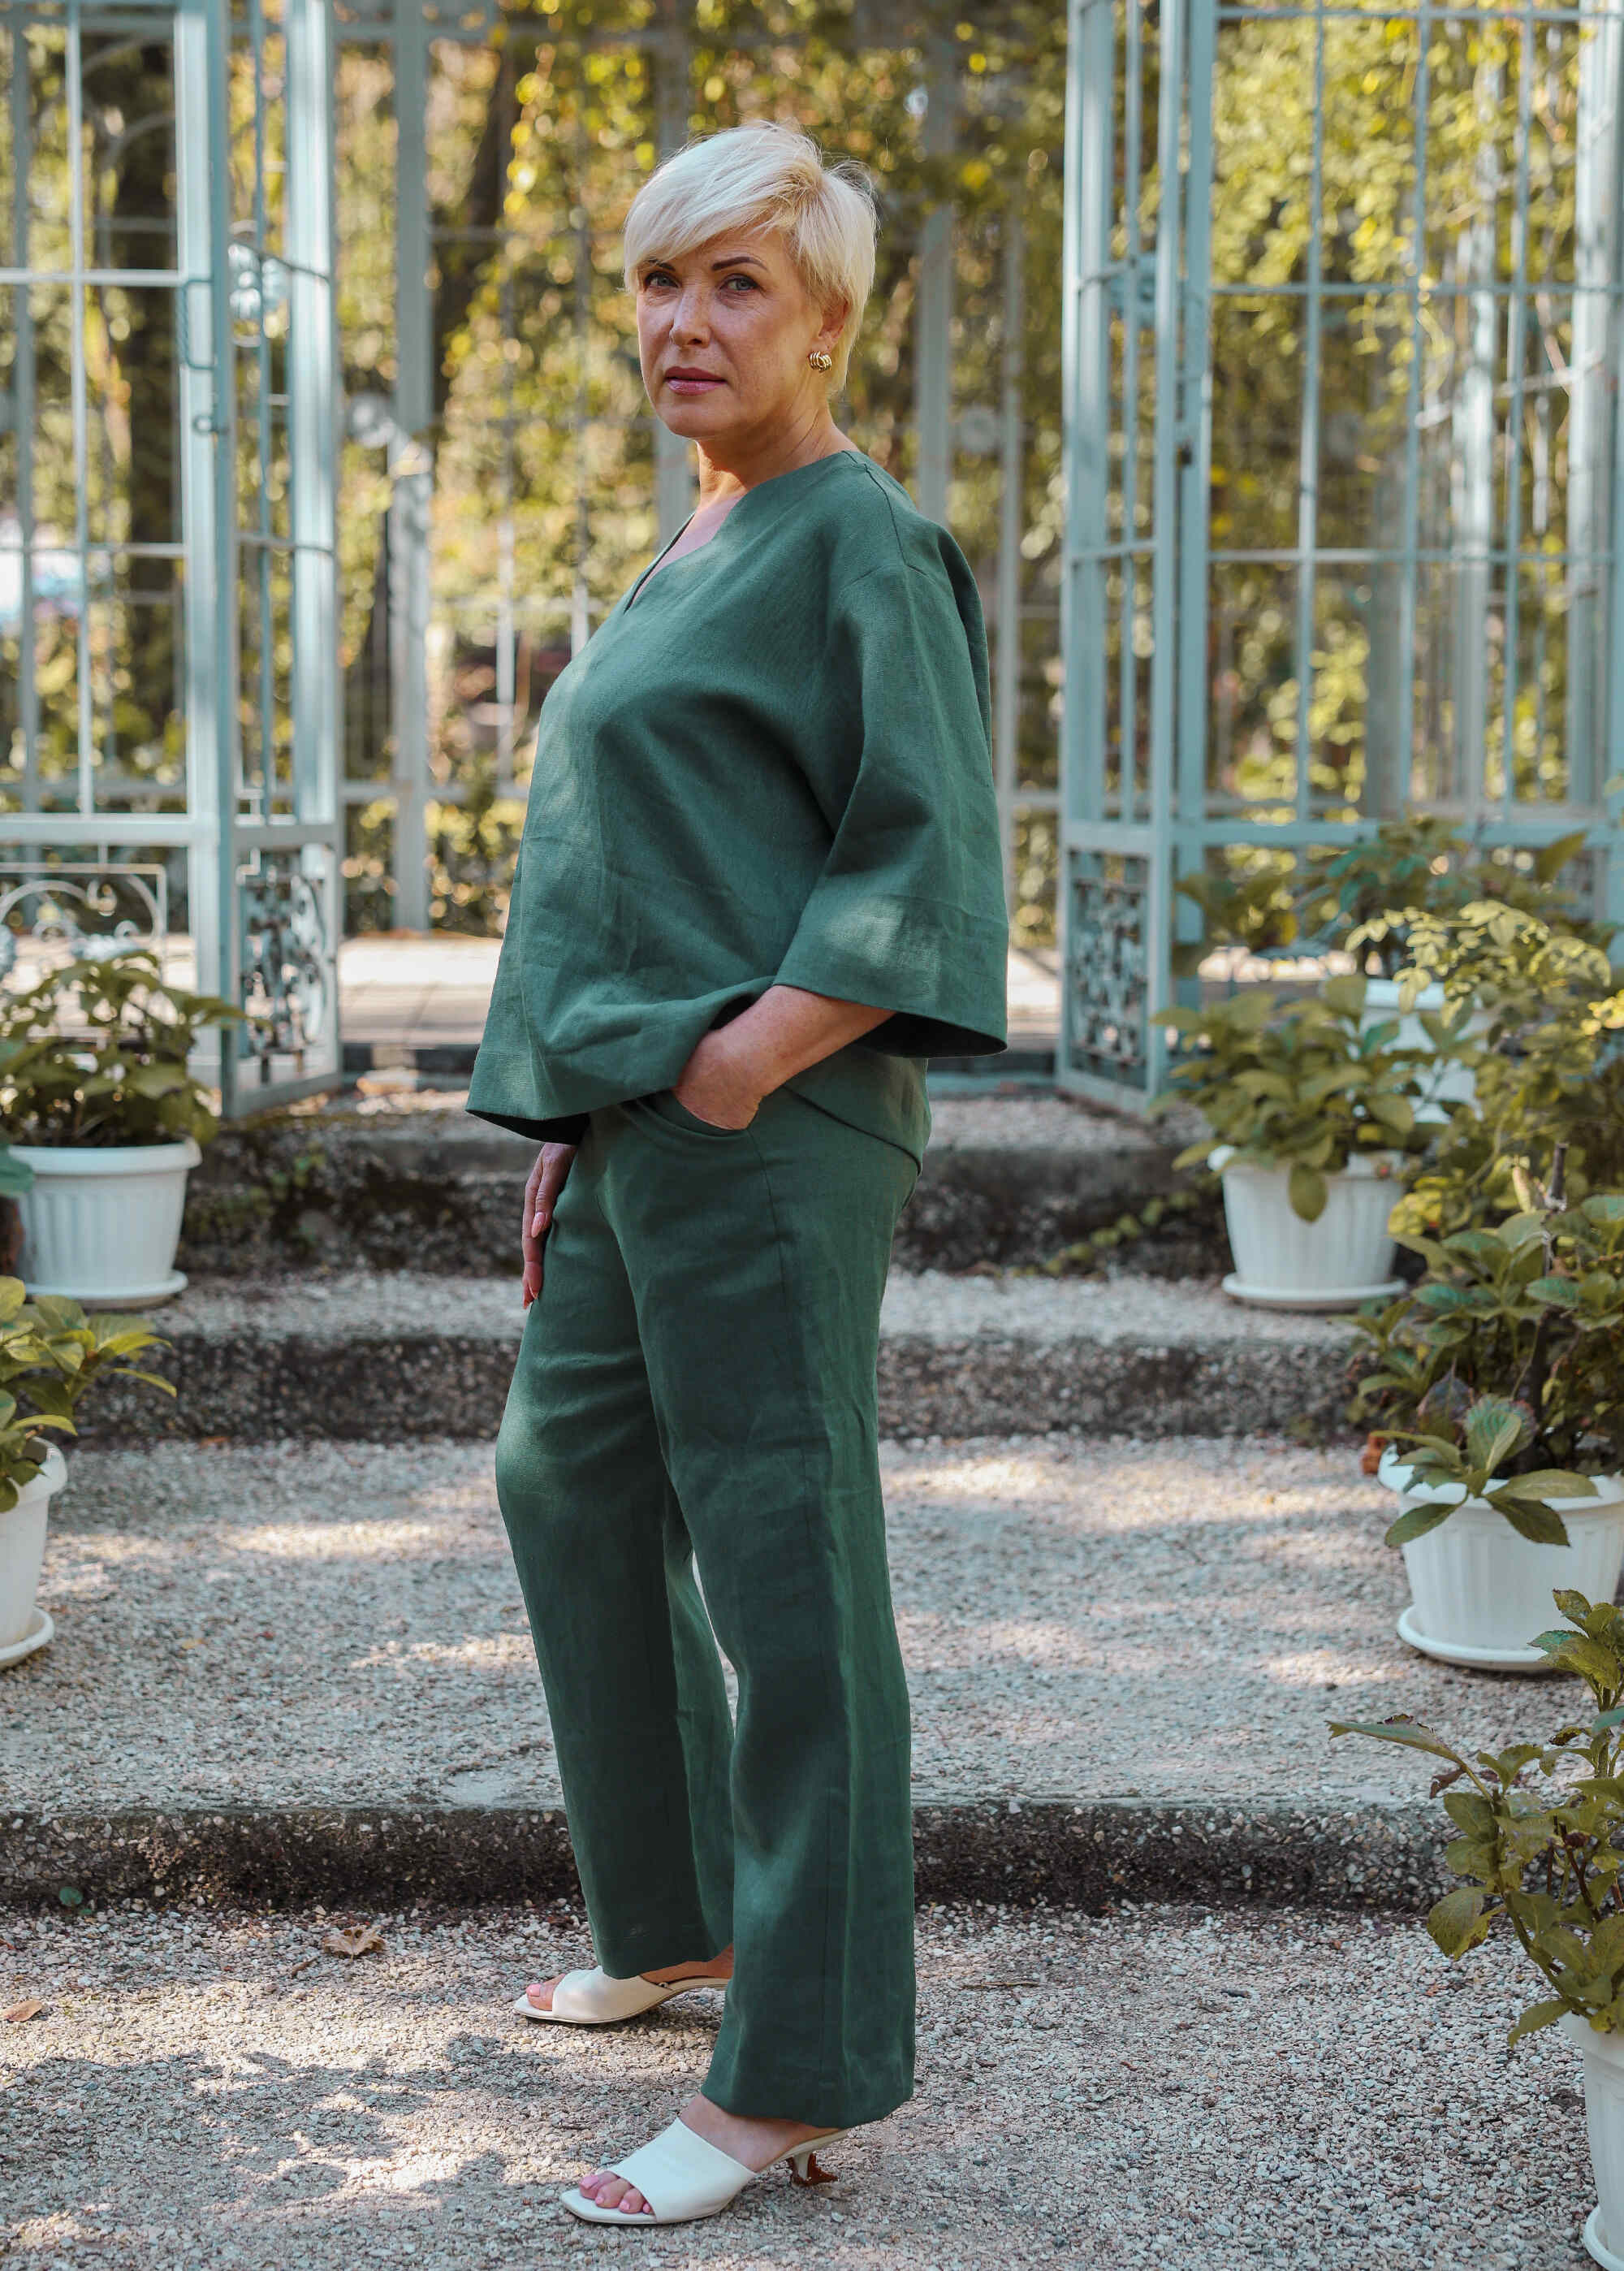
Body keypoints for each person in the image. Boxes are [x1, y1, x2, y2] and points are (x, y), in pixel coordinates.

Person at [466, 116, 1009, 2230]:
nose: (685, 322)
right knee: (563, 1473)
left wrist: (741, 1058)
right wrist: (598, 1101)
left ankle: (791, 2067)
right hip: (630, 1122)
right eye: (658, 281)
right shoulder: (694, 537)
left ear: (832, 321)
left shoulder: (856, 537)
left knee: (790, 1572)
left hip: (763, 1128)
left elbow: (923, 839)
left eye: (736, 284)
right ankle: (678, 1915)